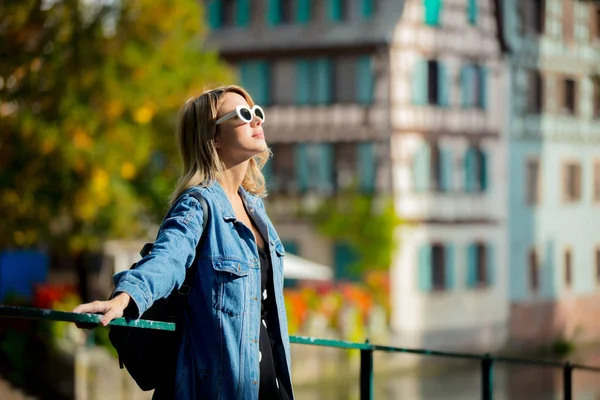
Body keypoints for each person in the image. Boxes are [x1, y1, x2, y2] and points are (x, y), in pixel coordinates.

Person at [73, 85, 294, 400]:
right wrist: (126, 298)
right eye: (244, 115)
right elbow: (167, 260)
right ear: (213, 137)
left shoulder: (256, 210)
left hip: (269, 387)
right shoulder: (198, 204)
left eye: (257, 112)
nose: (256, 120)